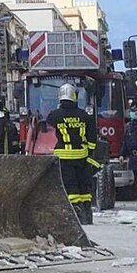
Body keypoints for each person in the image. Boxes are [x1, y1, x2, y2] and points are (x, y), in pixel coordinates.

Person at [47, 90, 96, 224]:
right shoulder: (84, 115)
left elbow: (49, 121)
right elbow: (92, 137)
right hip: (82, 155)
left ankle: (77, 214)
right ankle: (87, 213)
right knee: (83, 186)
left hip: (64, 156)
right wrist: (90, 152)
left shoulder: (55, 115)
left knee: (70, 186)